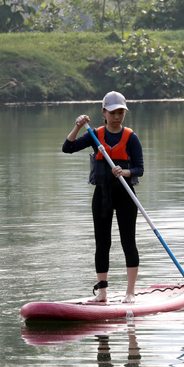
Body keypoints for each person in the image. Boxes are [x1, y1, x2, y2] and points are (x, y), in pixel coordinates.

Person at [63, 91, 144, 303]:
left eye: (121, 112)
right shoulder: (94, 135)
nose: (117, 116)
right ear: (104, 113)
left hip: (126, 195)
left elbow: (139, 169)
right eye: (113, 112)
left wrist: (125, 172)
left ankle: (130, 293)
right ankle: (102, 293)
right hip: (102, 196)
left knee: (128, 242)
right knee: (102, 243)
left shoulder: (131, 137)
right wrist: (78, 127)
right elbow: (67, 148)